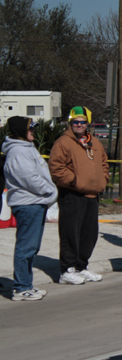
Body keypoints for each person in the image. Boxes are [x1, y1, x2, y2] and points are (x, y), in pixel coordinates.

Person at [48, 107, 109, 285]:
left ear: (87, 124)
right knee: (70, 233)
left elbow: (104, 164)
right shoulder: (63, 143)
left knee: (89, 234)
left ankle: (81, 267)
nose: (79, 125)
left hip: (92, 195)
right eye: (76, 122)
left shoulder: (95, 143)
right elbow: (56, 167)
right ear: (70, 123)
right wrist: (74, 181)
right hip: (72, 194)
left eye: (82, 122)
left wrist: (103, 179)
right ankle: (67, 269)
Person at [3, 117, 58, 300]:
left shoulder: (26, 147)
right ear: (20, 130)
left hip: (35, 203)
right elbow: (29, 178)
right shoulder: (18, 151)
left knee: (31, 247)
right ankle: (21, 287)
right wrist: (50, 191)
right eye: (30, 128)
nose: (34, 131)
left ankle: (26, 284)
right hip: (27, 204)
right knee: (26, 247)